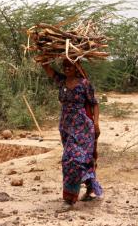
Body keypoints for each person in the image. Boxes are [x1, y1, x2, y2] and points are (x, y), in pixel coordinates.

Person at [42, 58, 103, 212]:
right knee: (82, 160)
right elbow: (47, 68)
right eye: (64, 66)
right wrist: (44, 54)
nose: (67, 68)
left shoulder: (84, 84)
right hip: (66, 127)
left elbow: (94, 103)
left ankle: (69, 200)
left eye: (70, 65)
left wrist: (96, 123)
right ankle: (90, 190)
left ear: (76, 67)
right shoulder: (61, 81)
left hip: (83, 128)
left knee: (71, 161)